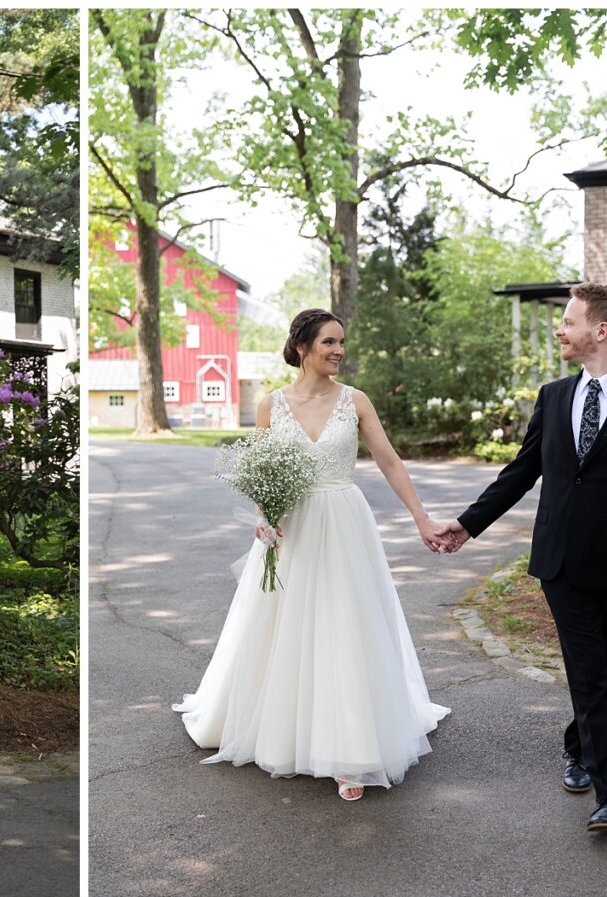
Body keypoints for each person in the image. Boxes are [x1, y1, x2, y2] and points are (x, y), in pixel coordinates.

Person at [431, 283, 607, 833]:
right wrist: (468, 524)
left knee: (601, 675)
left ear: (601, 330)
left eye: (568, 321)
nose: (558, 329)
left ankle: (576, 744)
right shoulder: (552, 397)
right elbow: (521, 472)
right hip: (560, 564)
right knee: (590, 677)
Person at [174, 308, 450, 801]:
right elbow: (260, 473)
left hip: (345, 523)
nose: (339, 350)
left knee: (345, 626)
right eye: (328, 342)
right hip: (294, 529)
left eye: (342, 342)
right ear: (302, 347)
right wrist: (265, 513)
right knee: (287, 627)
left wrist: (422, 518)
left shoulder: (355, 401)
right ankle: (281, 728)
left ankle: (352, 750)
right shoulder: (270, 406)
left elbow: (388, 459)